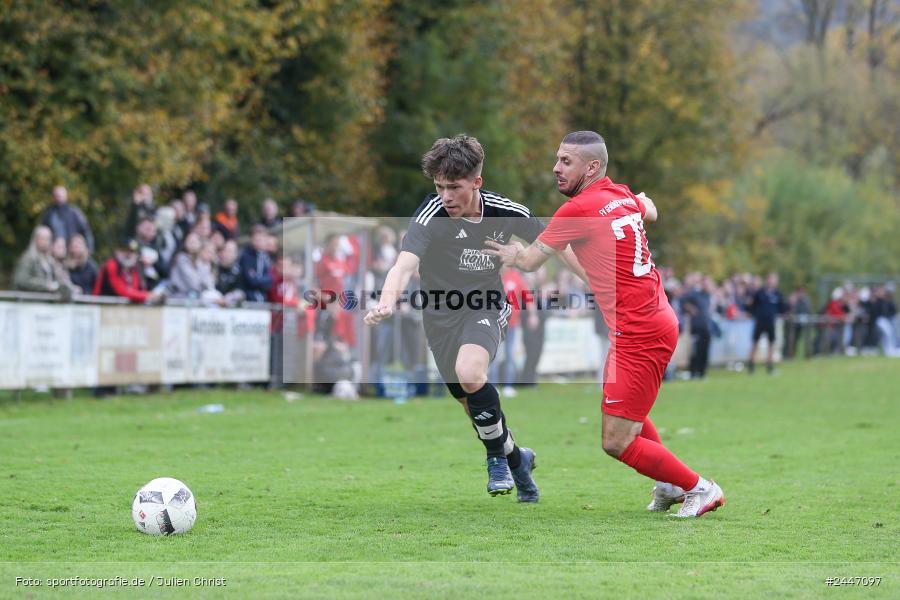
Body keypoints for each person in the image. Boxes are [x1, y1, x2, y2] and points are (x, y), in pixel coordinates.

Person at [484, 131, 724, 518]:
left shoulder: (577, 210)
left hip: (640, 331)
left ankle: (700, 487)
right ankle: (668, 484)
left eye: (566, 161)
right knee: (627, 412)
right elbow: (649, 211)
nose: (555, 168)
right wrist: (641, 206)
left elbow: (529, 262)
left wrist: (514, 253)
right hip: (650, 320)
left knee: (616, 440)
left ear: (592, 166)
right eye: (557, 159)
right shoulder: (620, 196)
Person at [364, 135, 583, 502]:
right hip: (439, 317)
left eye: (454, 187)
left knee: (470, 374)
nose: (445, 196)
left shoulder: (505, 210)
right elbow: (404, 266)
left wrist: (600, 286)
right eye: (438, 186)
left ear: (476, 182)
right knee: (476, 407)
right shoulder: (430, 215)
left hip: (486, 305)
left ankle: (496, 458)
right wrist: (387, 301)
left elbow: (558, 245)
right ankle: (518, 459)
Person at [13, 225, 78, 298]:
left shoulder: (49, 260)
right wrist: (46, 286)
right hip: (31, 302)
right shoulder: (29, 258)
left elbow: (58, 280)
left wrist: (71, 288)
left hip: (46, 303)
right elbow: (21, 280)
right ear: (35, 239)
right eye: (43, 238)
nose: (46, 242)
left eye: (48, 239)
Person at [94, 239, 163, 304]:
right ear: (117, 251)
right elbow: (122, 291)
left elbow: (136, 289)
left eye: (132, 252)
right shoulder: (111, 265)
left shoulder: (135, 268)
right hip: (101, 307)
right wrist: (147, 296)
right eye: (125, 250)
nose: (128, 254)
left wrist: (153, 295)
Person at [747, 272, 787, 374]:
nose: (772, 281)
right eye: (770, 278)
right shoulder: (760, 292)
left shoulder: (778, 294)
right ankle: (751, 364)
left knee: (771, 343)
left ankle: (769, 365)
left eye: (774, 279)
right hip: (760, 321)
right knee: (755, 342)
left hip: (771, 322)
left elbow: (782, 308)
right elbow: (752, 305)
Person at [40, 186, 95, 253]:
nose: (58, 197)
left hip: (73, 251)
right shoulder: (48, 214)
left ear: (66, 196)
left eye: (60, 195)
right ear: (53, 197)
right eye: (56, 195)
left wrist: (89, 248)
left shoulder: (75, 213)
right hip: (54, 252)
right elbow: (43, 233)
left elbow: (86, 230)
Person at [239, 225, 274, 302]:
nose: (259, 242)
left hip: (263, 297)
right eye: (256, 239)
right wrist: (261, 280)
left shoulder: (266, 257)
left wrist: (258, 279)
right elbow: (250, 280)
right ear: (251, 240)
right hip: (248, 298)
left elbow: (270, 280)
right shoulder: (246, 256)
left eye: (261, 239)